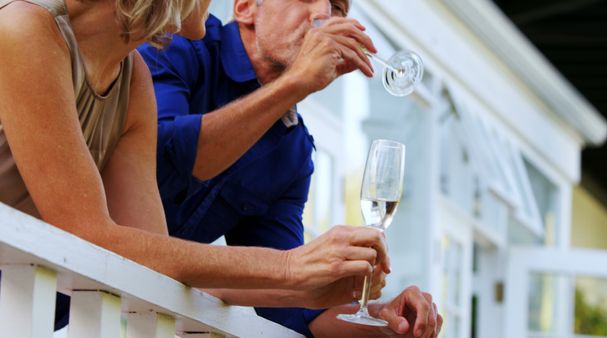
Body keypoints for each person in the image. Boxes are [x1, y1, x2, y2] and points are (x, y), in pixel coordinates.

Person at [0, 0, 392, 331]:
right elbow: (90, 234)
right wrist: (288, 269)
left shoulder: (132, 77)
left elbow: (158, 260)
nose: (324, 12)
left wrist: (312, 285)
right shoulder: (26, 28)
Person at [138, 0, 443, 337]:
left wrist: (382, 317)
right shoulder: (178, 39)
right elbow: (164, 157)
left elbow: (289, 308)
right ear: (245, 8)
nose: (324, 14)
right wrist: (296, 82)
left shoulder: (292, 151)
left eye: (338, 7)